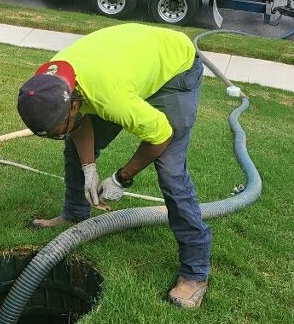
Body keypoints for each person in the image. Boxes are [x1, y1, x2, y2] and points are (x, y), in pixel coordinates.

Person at [16, 23, 212, 308]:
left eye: (61, 128)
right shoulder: (49, 84)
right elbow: (78, 126)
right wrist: (88, 169)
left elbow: (161, 136)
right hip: (128, 66)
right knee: (76, 150)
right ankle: (74, 214)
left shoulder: (109, 97)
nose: (61, 134)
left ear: (73, 104)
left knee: (171, 172)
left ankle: (195, 272)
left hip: (175, 68)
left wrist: (122, 178)